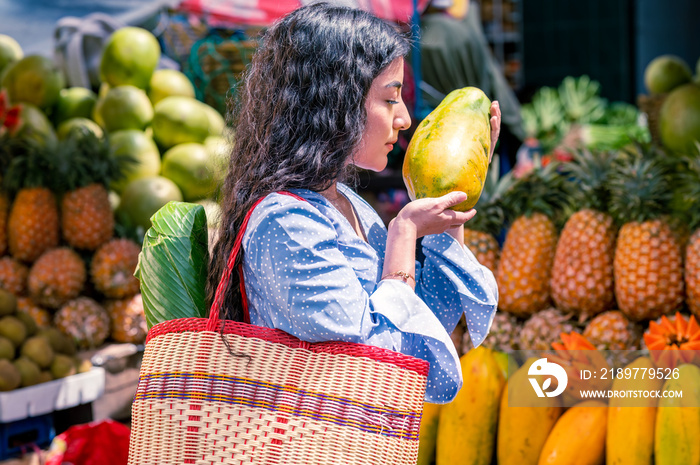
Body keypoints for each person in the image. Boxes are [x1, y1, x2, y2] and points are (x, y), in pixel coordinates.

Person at [207, 2, 500, 404]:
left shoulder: (347, 203)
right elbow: (374, 366)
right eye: (389, 100)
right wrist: (403, 234)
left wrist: (455, 200)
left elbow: (421, 330)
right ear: (336, 101)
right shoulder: (285, 221)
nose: (405, 120)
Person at [419, 0, 524, 171]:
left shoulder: (414, 37)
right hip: (474, 129)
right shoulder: (466, 34)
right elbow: (494, 81)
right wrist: (518, 128)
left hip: (431, 135)